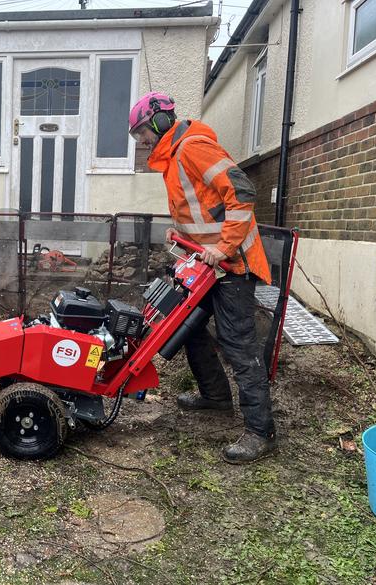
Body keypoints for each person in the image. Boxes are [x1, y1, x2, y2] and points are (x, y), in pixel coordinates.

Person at [128, 91, 276, 464]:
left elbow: (241, 192)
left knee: (238, 343)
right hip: (209, 265)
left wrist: (224, 247)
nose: (142, 141)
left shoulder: (193, 147)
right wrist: (182, 235)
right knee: (188, 327)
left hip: (233, 265)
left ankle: (261, 431)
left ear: (161, 121)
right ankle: (215, 396)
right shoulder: (174, 157)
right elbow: (204, 208)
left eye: (142, 131)